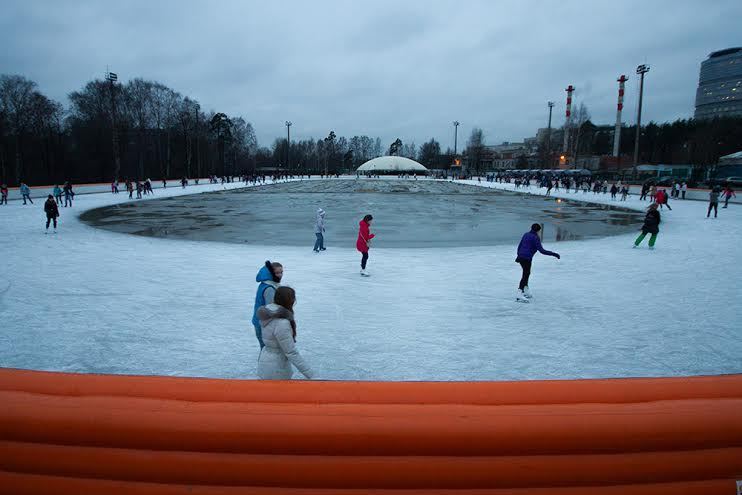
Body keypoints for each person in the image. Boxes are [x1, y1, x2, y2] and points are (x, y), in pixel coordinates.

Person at [256, 286, 314, 380]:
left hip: (265, 362)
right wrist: (311, 375)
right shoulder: (282, 323)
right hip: (277, 369)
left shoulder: (266, 314)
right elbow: (291, 352)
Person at [515, 223, 560, 302]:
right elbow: (542, 251)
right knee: (525, 274)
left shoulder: (526, 234)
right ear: (538, 230)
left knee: (526, 273)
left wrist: (519, 254)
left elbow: (520, 245)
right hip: (526, 258)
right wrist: (554, 254)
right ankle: (519, 293)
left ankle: (526, 290)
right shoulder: (535, 238)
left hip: (521, 256)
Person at [252, 261, 283, 348]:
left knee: (266, 351)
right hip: (263, 324)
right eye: (277, 273)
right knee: (268, 351)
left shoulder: (265, 283)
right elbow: (271, 309)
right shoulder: (269, 288)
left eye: (281, 272)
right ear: (270, 273)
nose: (280, 275)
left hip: (259, 321)